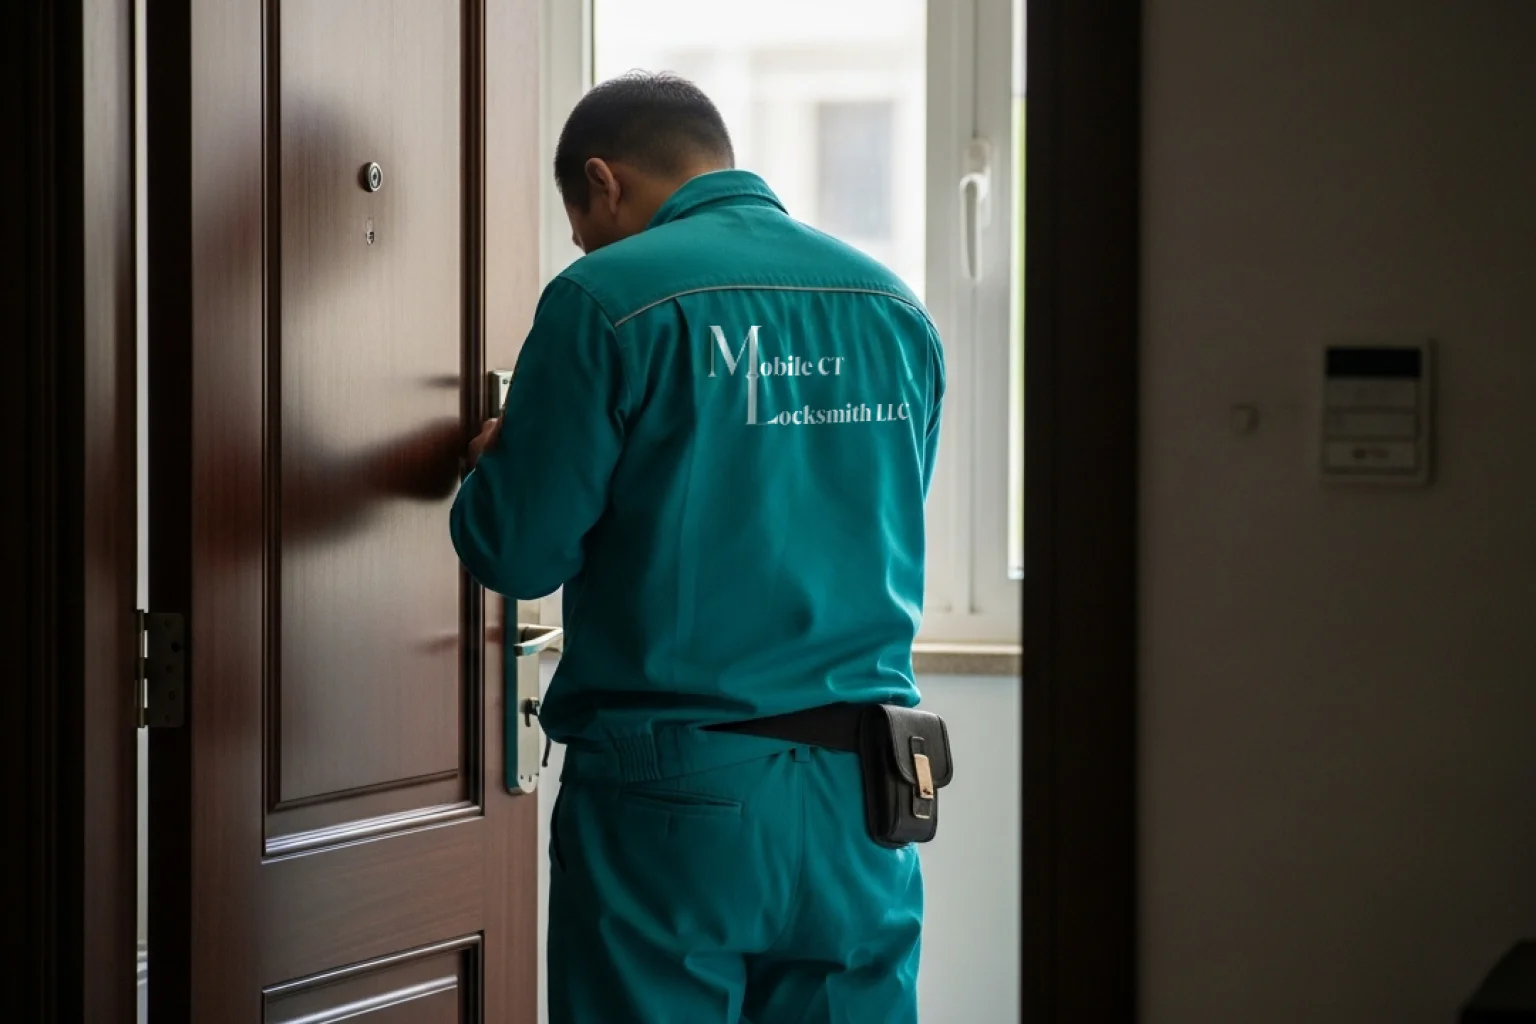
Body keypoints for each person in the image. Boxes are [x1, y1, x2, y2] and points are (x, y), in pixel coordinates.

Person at [450, 72, 946, 1024]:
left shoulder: (602, 298)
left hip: (671, 800)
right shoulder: (896, 309)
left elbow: (518, 554)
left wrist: (498, 465)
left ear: (603, 182)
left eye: (580, 220)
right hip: (866, 801)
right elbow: (878, 517)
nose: (586, 243)